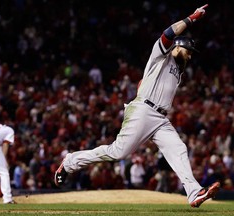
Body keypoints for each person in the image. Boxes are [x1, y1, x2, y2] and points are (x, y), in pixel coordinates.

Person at [54, 4, 220, 208]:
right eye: (188, 51)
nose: (190, 55)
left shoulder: (179, 71)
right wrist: (192, 18)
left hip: (159, 118)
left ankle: (194, 193)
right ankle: (70, 161)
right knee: (117, 153)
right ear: (178, 46)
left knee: (178, 148)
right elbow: (168, 33)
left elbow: (150, 82)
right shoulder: (161, 55)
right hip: (143, 111)